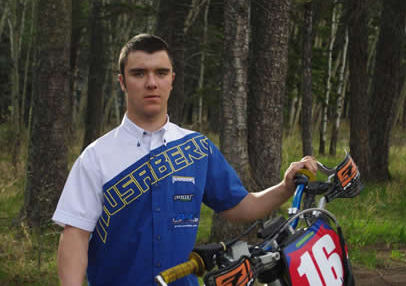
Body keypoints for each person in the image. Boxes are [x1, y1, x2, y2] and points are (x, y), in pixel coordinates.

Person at [53, 34, 317, 286]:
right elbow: (75, 235)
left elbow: (240, 206)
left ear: (172, 79)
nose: (151, 83)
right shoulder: (96, 157)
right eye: (139, 73)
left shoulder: (198, 149)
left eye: (161, 72)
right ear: (122, 82)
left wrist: (285, 187)